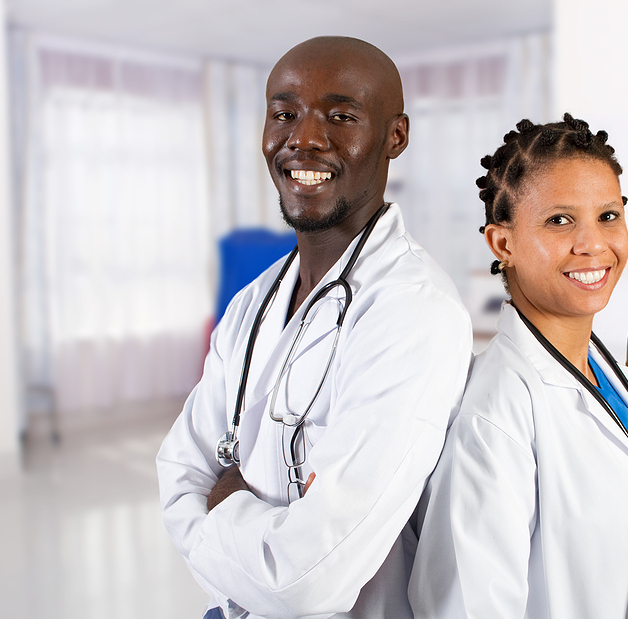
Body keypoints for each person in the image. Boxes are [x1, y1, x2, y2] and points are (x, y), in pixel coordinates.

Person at [156, 37, 472, 619]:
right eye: (284, 114)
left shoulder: (412, 312)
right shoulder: (254, 304)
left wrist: (223, 509)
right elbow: (178, 471)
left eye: (341, 116)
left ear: (395, 136)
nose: (303, 138)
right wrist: (264, 544)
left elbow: (307, 584)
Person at [408, 114, 628, 618]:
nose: (593, 243)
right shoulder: (494, 418)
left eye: (608, 216)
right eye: (559, 220)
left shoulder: (612, 372)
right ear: (502, 244)